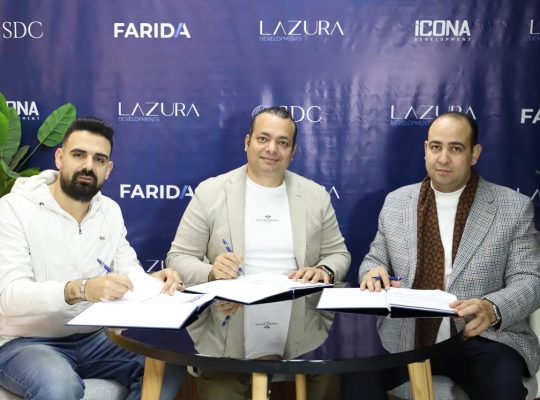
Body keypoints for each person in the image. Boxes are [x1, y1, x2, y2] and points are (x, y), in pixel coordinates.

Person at [351, 112, 540, 399]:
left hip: (482, 338)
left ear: (474, 154)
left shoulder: (512, 207)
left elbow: (530, 279)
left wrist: (493, 308)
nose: (443, 158)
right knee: (355, 377)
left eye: (456, 148)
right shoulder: (396, 203)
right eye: (436, 147)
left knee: (502, 387)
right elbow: (376, 258)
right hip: (405, 338)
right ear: (426, 150)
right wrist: (372, 272)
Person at [167, 106, 351, 400]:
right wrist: (211, 272)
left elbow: (338, 254)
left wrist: (324, 270)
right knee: (221, 387)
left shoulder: (315, 195)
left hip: (302, 320)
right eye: (263, 138)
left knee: (329, 372)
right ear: (247, 142)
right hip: (227, 318)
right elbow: (178, 258)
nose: (272, 149)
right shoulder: (211, 192)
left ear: (293, 151)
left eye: (282, 142)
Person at [0, 117, 185, 399]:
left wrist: (153, 282)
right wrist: (81, 289)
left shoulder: (109, 211)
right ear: (60, 158)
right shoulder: (13, 208)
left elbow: (129, 272)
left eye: (99, 159)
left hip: (96, 338)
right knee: (59, 385)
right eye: (79, 155)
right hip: (25, 342)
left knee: (166, 361)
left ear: (108, 169)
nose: (88, 165)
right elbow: (9, 296)